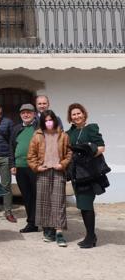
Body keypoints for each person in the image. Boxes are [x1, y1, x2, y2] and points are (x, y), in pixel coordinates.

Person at [27, 110, 72, 247]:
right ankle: (48, 231)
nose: (49, 122)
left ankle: (59, 232)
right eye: (46, 120)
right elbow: (31, 155)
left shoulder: (63, 135)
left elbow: (69, 153)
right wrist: (36, 167)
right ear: (42, 122)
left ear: (55, 120)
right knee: (44, 201)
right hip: (43, 171)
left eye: (51, 119)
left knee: (58, 201)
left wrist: (62, 164)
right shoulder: (37, 135)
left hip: (58, 171)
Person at [66, 103, 106, 249]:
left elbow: (101, 147)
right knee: (83, 205)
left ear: (84, 114)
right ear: (70, 118)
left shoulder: (91, 129)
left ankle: (91, 236)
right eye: (73, 114)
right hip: (77, 173)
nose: (76, 116)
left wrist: (87, 155)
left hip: (89, 172)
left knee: (86, 203)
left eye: (78, 113)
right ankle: (90, 235)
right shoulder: (70, 133)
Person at [11, 104, 39, 233]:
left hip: (35, 167)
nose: (26, 115)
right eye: (23, 113)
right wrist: (12, 164)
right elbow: (11, 148)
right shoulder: (16, 129)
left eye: (28, 112)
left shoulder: (39, 127)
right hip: (20, 167)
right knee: (27, 196)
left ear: (34, 114)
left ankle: (44, 222)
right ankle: (31, 223)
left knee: (38, 195)